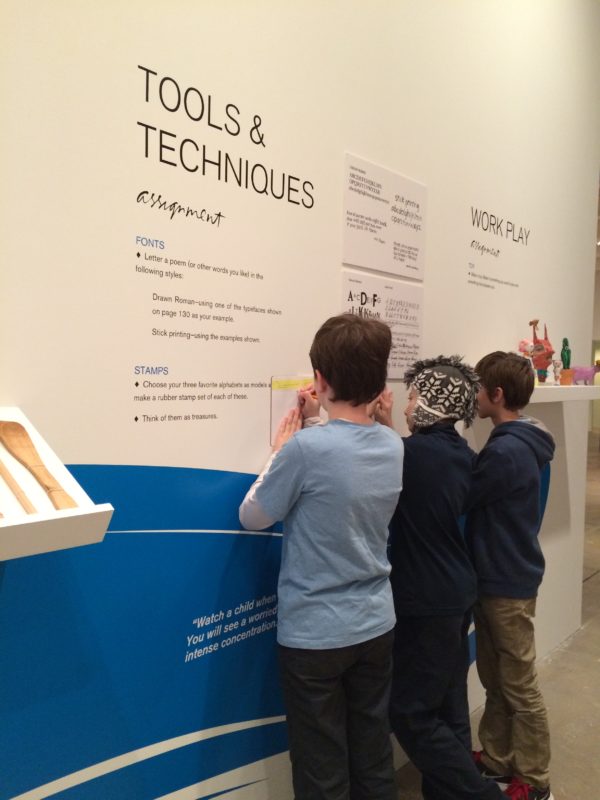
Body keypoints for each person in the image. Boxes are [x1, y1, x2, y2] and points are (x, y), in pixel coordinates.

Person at [239, 313, 403, 800]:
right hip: (376, 624)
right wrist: (318, 422)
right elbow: (346, 459)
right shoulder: (393, 444)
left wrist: (280, 450)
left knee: (321, 769)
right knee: (373, 756)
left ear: (321, 380)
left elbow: (254, 515)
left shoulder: (305, 450)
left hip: (316, 636)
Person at [376, 356, 504, 800]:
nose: (407, 408)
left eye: (412, 398)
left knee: (409, 713)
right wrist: (389, 426)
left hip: (426, 599)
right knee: (449, 708)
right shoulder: (459, 454)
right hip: (456, 591)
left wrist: (381, 427)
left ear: (431, 402)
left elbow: (393, 465)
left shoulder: (411, 454)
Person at [465, 351, 555, 800]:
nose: (474, 396)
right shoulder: (523, 442)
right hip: (504, 574)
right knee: (496, 677)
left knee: (519, 685)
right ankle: (498, 758)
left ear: (496, 395)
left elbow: (466, 495)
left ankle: (535, 779)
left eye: (478, 388)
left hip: (505, 582)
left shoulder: (506, 451)